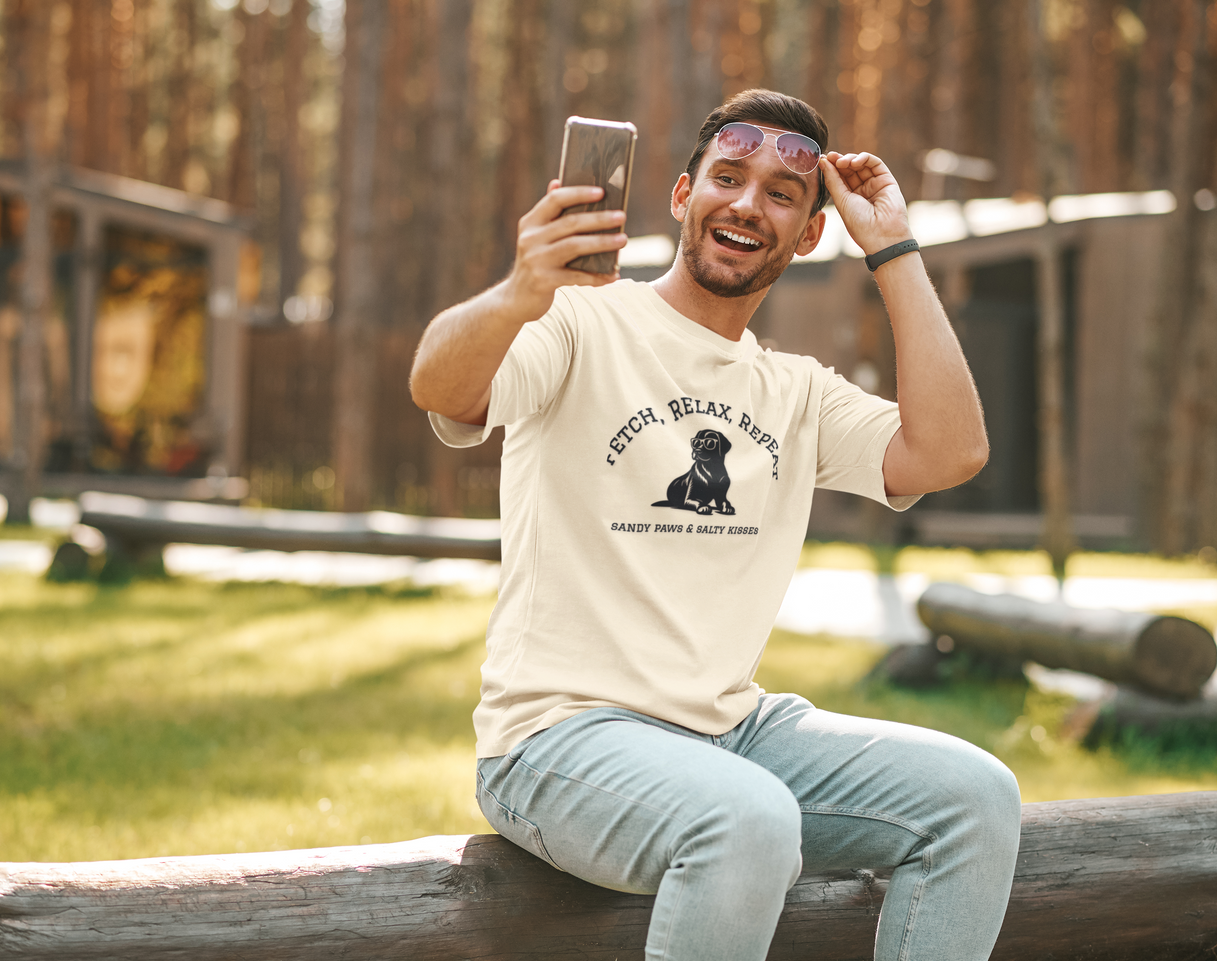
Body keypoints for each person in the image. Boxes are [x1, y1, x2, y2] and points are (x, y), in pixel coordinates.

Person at [409, 88, 1021, 961]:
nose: (746, 203)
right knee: (747, 817)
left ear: (810, 233)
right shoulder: (580, 321)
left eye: (781, 192)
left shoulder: (795, 389)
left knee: (976, 796)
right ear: (681, 195)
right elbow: (439, 386)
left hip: (732, 734)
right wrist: (521, 287)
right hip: (555, 741)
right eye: (727, 178)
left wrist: (891, 248)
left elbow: (950, 451)